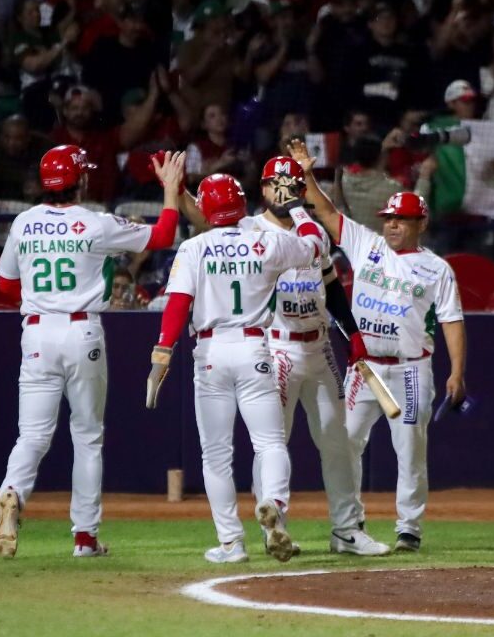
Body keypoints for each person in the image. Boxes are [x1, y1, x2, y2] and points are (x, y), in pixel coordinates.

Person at [0, 146, 184, 559]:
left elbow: (5, 285)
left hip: (38, 333)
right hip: (82, 331)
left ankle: (11, 493)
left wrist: (45, 294)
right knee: (88, 436)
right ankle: (84, 538)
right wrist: (169, 190)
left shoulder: (24, 223)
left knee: (33, 435)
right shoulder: (94, 223)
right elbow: (163, 236)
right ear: (81, 180)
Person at [291, 140, 467, 553]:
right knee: (345, 443)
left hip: (410, 368)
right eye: (389, 218)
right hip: (365, 367)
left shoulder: (437, 268)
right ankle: (349, 524)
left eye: (401, 220)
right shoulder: (366, 245)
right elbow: (328, 214)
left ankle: (409, 528)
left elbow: (452, 321)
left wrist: (457, 370)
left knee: (409, 449)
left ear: (420, 223)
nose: (392, 225)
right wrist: (307, 175)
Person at [149, 172, 329, 564]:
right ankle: (274, 504)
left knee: (216, 455)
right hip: (255, 349)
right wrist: (297, 207)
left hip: (211, 352)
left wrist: (162, 352)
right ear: (242, 203)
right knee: (270, 443)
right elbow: (316, 245)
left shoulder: (194, 247)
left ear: (207, 208)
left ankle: (231, 543)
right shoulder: (268, 241)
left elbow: (178, 304)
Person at [245, 155, 390, 557]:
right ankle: (274, 525)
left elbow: (331, 287)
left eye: (291, 185)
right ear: (263, 188)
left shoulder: (315, 234)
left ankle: (346, 529)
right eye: (276, 185)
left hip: (319, 345)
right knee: (272, 442)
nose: (284, 192)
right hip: (274, 346)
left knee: (338, 442)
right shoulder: (248, 231)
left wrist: (353, 333)